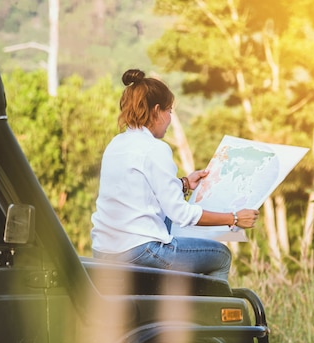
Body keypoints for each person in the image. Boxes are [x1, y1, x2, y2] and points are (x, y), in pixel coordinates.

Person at [91, 69, 259, 280]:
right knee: (221, 255)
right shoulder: (155, 148)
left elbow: (139, 191)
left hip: (103, 252)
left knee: (170, 225)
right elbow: (182, 214)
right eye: (169, 111)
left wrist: (185, 183)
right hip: (139, 253)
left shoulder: (116, 144)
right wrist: (233, 218)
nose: (170, 119)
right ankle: (200, 311)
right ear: (157, 111)